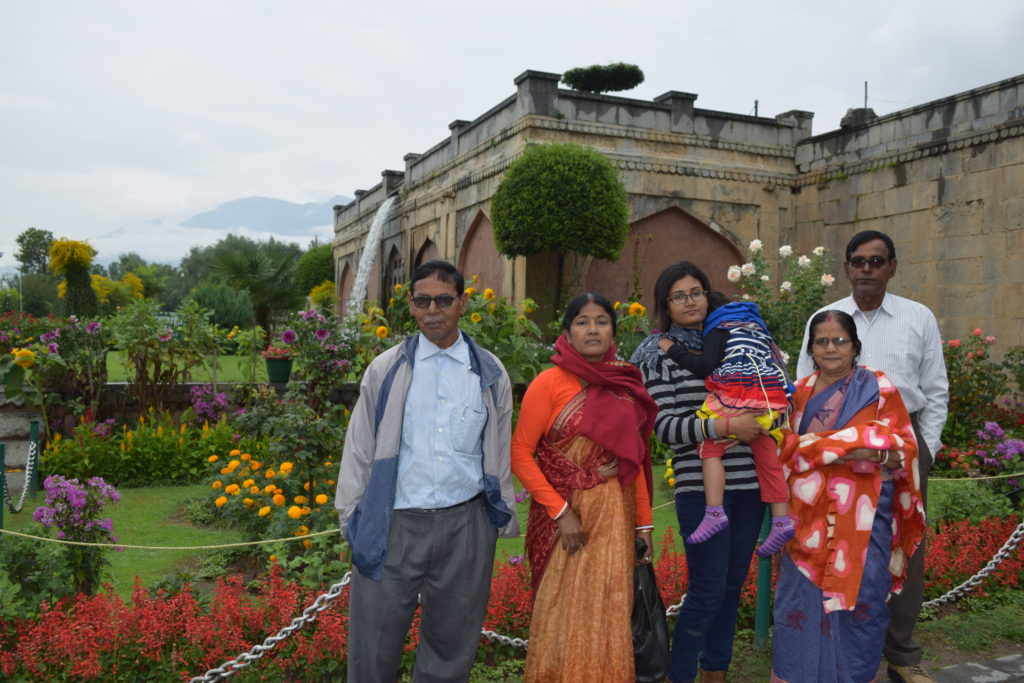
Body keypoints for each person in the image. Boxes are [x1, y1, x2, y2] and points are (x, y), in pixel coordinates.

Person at [334, 260, 520, 683]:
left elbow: (497, 450)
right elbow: (359, 448)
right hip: (393, 523)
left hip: (465, 525)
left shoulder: (488, 373)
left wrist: (499, 514)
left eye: (443, 300)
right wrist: (352, 518)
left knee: (452, 647)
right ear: (411, 306)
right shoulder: (386, 369)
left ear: (462, 303)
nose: (432, 310)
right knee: (373, 647)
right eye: (422, 301)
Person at [797, 230, 948, 683]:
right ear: (846, 268)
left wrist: (927, 449)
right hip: (835, 454)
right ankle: (832, 650)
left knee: (903, 546)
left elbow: (935, 389)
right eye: (859, 261)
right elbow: (803, 392)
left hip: (901, 450)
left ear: (892, 267)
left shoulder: (918, 317)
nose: (867, 268)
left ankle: (902, 657)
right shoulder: (825, 318)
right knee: (832, 544)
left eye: (877, 261)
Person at [631, 261, 770, 683]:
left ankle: (715, 671)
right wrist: (725, 426)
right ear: (665, 306)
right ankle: (679, 674)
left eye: (696, 292)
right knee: (707, 589)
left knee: (730, 590)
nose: (690, 301)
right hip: (699, 489)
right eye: (679, 296)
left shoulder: (735, 340)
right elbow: (666, 427)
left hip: (749, 486)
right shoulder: (656, 356)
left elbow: (771, 396)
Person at [511, 293, 658, 683]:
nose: (592, 329)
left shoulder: (625, 382)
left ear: (612, 330)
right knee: (563, 611)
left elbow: (636, 463)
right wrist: (562, 514)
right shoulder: (548, 383)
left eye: (601, 321)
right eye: (582, 321)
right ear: (566, 332)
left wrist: (643, 526)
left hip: (615, 517)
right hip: (566, 522)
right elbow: (521, 453)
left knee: (609, 610)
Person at [772, 310, 926, 683]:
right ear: (811, 349)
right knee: (798, 603)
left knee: (865, 601)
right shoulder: (798, 393)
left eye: (839, 340)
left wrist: (870, 453)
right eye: (822, 341)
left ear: (854, 346)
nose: (830, 348)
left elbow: (903, 449)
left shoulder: (878, 388)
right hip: (806, 521)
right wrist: (845, 445)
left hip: (863, 520)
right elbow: (784, 448)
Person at [663, 299, 794, 556]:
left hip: (738, 392)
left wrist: (671, 349)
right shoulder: (759, 330)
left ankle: (714, 511)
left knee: (710, 446)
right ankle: (781, 521)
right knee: (768, 455)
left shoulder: (720, 328)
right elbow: (783, 373)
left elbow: (705, 365)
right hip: (769, 396)